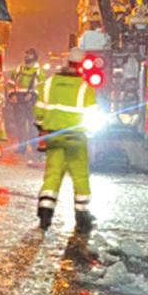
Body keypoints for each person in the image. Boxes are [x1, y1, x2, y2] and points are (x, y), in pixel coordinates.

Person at [33, 46, 96, 232]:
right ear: (81, 65)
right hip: (76, 139)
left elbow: (39, 111)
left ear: (66, 62)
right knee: (80, 176)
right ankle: (82, 218)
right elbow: (91, 117)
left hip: (54, 136)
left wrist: (42, 128)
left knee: (52, 174)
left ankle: (45, 215)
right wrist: (91, 135)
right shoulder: (85, 88)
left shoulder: (49, 84)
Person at [9, 48, 41, 144]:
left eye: (29, 55)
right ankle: (22, 146)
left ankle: (34, 146)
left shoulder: (39, 71)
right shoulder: (18, 69)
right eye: (26, 54)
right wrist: (12, 95)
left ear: (34, 57)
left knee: (32, 125)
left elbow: (41, 88)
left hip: (31, 100)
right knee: (20, 124)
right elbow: (11, 84)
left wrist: (33, 95)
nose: (26, 56)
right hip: (18, 99)